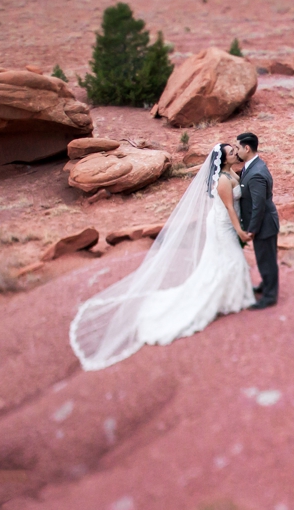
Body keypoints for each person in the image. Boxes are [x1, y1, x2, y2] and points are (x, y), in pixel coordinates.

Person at [67, 143, 253, 370]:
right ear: (223, 160)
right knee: (232, 259)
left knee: (221, 260)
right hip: (223, 224)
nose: (236, 153)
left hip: (221, 223)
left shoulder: (231, 172)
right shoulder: (223, 181)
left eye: (235, 150)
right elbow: (230, 209)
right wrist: (241, 230)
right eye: (232, 152)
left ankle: (231, 296)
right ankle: (230, 299)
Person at [234, 132, 279, 309]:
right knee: (265, 258)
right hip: (264, 222)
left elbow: (258, 205)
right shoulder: (253, 166)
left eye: (238, 147)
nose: (236, 151)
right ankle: (266, 285)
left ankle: (270, 296)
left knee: (266, 258)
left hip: (264, 224)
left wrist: (251, 229)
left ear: (247, 148)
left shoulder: (257, 173)